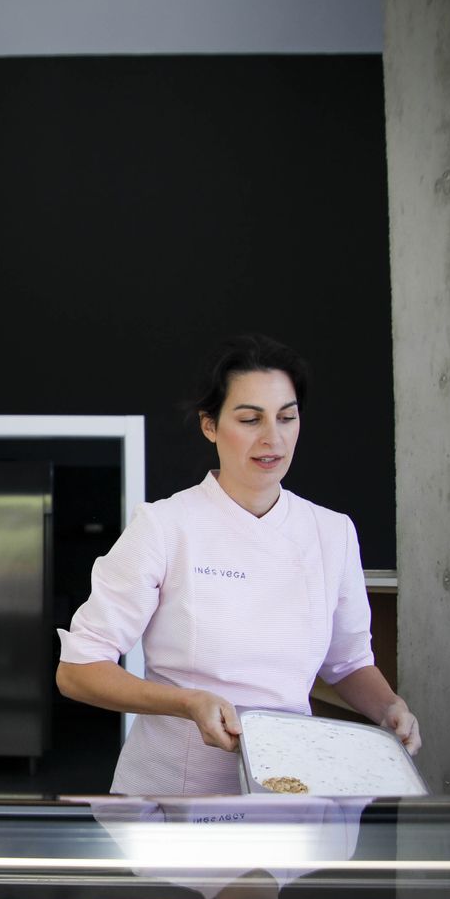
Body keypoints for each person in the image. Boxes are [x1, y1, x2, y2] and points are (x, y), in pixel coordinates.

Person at [55, 334, 419, 794]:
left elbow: (346, 662)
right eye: (250, 419)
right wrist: (187, 703)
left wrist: (388, 708)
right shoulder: (165, 526)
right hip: (175, 794)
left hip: (291, 786)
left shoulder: (332, 533)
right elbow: (78, 670)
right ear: (210, 425)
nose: (273, 438)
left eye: (287, 417)